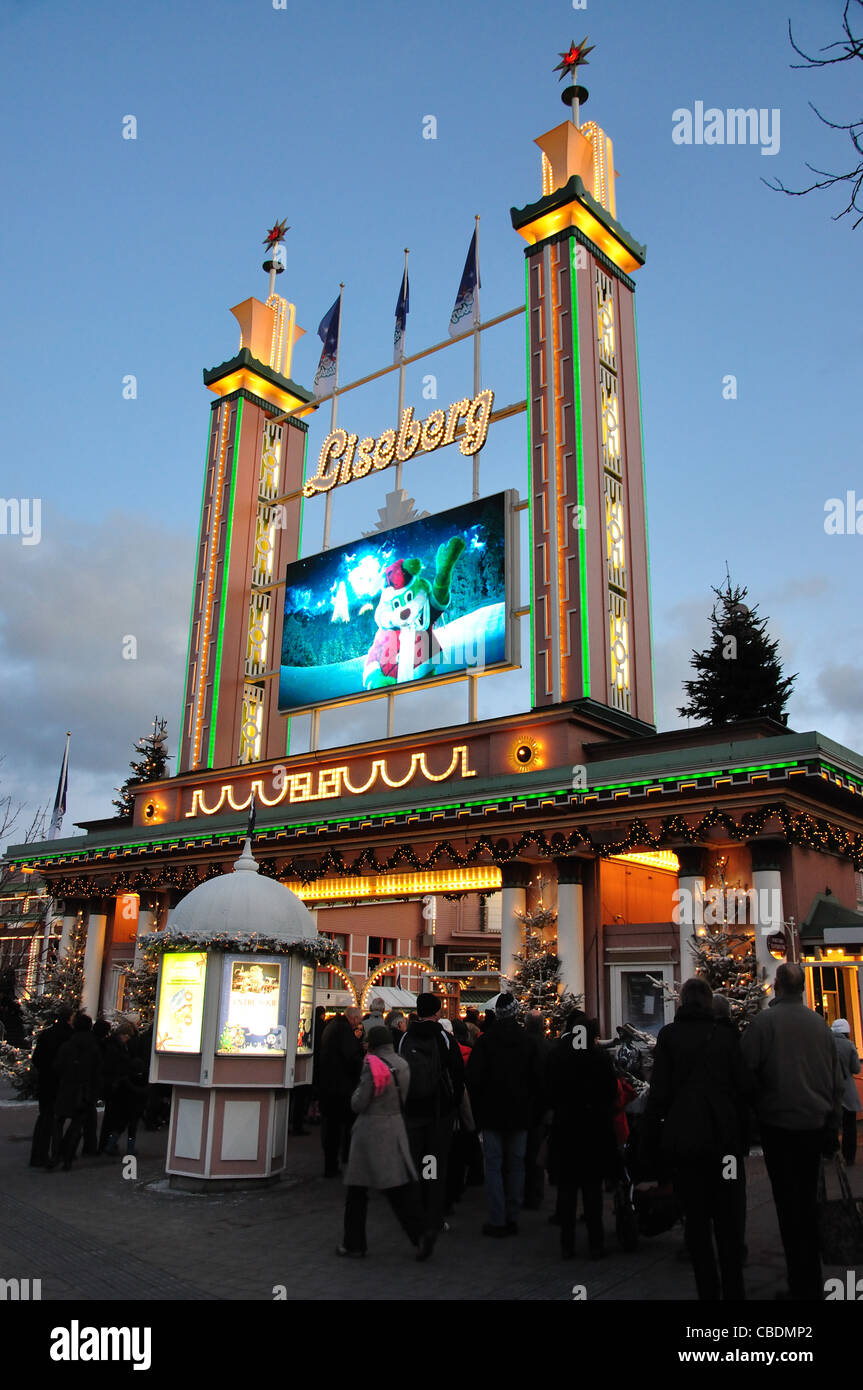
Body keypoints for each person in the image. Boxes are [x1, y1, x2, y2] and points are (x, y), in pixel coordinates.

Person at [645, 977, 754, 1299]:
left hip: (687, 1148)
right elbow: (746, 1090)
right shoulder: (726, 1037)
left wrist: (649, 1151)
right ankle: (735, 1292)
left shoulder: (669, 1037)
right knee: (729, 1221)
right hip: (725, 1148)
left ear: (681, 1001)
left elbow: (658, 1096)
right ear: (708, 1002)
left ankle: (708, 1292)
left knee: (696, 1223)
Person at [740, 962, 843, 1302]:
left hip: (779, 1126)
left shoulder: (763, 1024)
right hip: (812, 1125)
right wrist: (832, 1125)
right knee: (808, 1200)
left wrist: (756, 1110)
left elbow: (745, 1073)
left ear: (778, 987)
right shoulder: (819, 1025)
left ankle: (801, 1279)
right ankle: (809, 1276)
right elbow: (835, 1082)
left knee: (788, 1204)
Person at [337, 1026, 435, 1261]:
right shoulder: (402, 1064)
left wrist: (354, 1096)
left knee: (357, 1192)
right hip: (395, 1126)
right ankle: (419, 1232)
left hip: (371, 1131)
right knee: (396, 1187)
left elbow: (359, 1102)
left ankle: (354, 1244)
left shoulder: (373, 1065)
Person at [465, 993, 544, 1237]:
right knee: (517, 1165)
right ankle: (512, 1215)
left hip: (492, 1114)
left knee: (494, 1166)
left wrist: (477, 1112)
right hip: (520, 1115)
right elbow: (537, 1081)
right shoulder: (528, 1042)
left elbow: (474, 1079)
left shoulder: (486, 1042)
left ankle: (497, 1218)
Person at [547, 1010, 619, 1259]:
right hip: (593, 1131)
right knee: (592, 1191)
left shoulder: (559, 1056)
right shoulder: (599, 1058)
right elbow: (611, 1093)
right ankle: (595, 1242)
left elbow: (550, 1091)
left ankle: (567, 1244)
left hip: (566, 1130)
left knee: (567, 1191)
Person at [399, 993, 464, 1233]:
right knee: (434, 1164)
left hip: (413, 1110)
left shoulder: (406, 1036)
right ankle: (433, 1215)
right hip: (438, 1112)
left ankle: (415, 1211)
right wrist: (453, 1104)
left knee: (415, 1162)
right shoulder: (444, 1038)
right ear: (437, 1013)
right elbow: (457, 1073)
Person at [52, 1012, 102, 1170]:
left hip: (67, 1088)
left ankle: (56, 1155)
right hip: (84, 1092)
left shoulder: (68, 1045)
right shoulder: (94, 1047)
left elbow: (58, 1067)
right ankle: (67, 1158)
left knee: (59, 1123)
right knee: (76, 1125)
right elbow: (97, 1071)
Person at [318, 1007, 364, 1178]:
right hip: (340, 1088)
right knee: (339, 1128)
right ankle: (336, 1163)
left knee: (331, 1128)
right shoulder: (343, 1031)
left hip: (329, 1086)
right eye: (358, 1021)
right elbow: (351, 1058)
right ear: (352, 1018)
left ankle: (332, 1162)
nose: (358, 1024)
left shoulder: (332, 1027)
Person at [29, 1004, 73, 1167]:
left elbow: (37, 1059)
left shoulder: (47, 1034)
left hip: (46, 1083)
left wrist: (44, 1072)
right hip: (60, 1084)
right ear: (69, 1018)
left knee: (44, 1119)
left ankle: (38, 1154)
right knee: (56, 1121)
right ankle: (55, 1154)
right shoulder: (69, 1036)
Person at [100, 1022, 147, 1155]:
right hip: (117, 1086)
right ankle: (110, 1145)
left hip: (119, 1087)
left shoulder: (114, 1045)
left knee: (119, 1120)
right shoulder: (118, 1048)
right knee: (121, 1120)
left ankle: (109, 1144)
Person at [523, 1010, 552, 1209]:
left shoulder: (522, 1045)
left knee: (523, 1152)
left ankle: (524, 1193)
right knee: (536, 1152)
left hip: (523, 1105)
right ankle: (536, 1194)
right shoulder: (548, 1047)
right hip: (541, 1107)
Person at [830, 1018, 861, 1166]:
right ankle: (849, 1155)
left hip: (829, 1089)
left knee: (831, 1123)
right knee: (850, 1125)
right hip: (847, 1089)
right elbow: (856, 1068)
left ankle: (830, 1152)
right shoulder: (849, 1045)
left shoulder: (826, 1044)